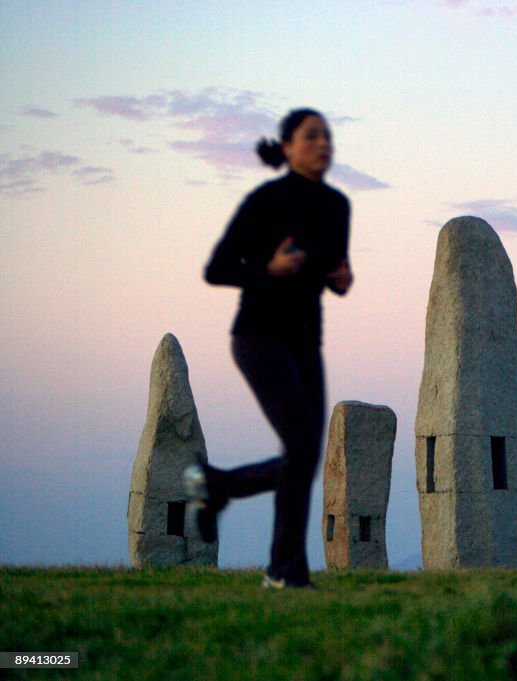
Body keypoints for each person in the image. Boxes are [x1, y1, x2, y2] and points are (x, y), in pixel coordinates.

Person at [185, 108, 353, 589]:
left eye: (327, 136)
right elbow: (216, 269)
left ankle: (219, 486)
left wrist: (341, 280)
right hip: (257, 337)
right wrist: (268, 270)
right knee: (300, 448)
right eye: (311, 136)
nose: (323, 144)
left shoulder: (338, 206)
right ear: (287, 148)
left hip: (305, 341)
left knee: (304, 457)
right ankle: (284, 571)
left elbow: (331, 270)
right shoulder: (265, 200)